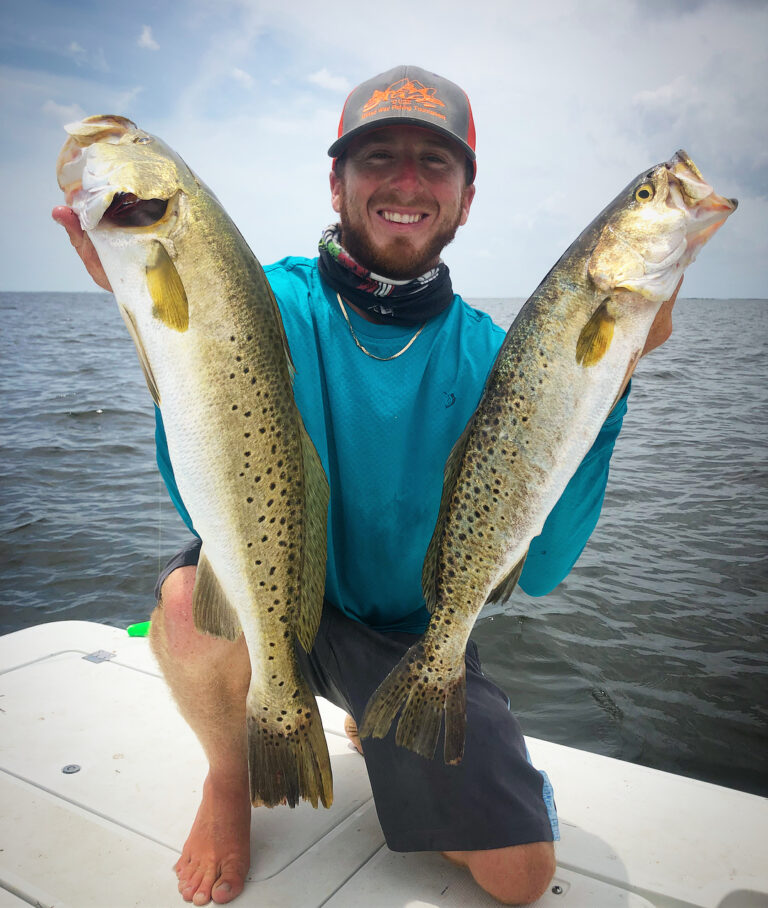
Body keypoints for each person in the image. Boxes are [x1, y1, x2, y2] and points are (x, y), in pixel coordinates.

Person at [53, 65, 677, 907]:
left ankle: (376, 715)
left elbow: (546, 568)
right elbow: (193, 481)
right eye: (378, 156)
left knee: (520, 879)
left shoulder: (504, 360)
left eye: (435, 161)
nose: (407, 182)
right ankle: (228, 782)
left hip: (413, 646)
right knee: (184, 601)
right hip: (280, 606)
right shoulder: (261, 301)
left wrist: (610, 379)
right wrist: (152, 321)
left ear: (467, 195)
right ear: (337, 182)